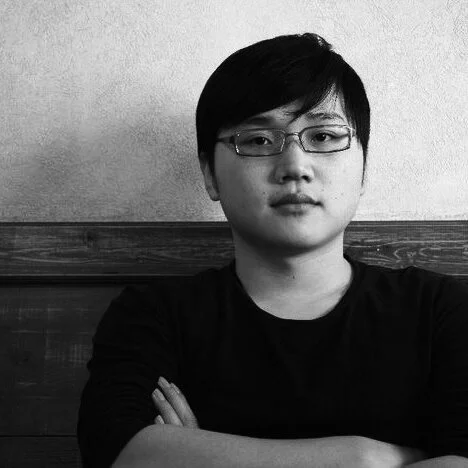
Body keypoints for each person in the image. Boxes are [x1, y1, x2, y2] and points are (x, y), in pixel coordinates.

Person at [77, 33, 468, 467]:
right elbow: (120, 452)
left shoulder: (440, 310)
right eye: (259, 141)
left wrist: (201, 455)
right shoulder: (154, 315)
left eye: (324, 136)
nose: (295, 167)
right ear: (209, 174)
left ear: (363, 168)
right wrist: (363, 458)